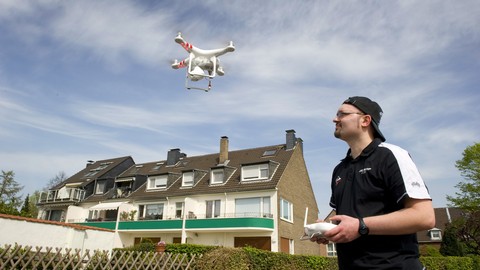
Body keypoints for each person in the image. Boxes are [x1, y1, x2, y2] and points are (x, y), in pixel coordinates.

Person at [313, 96, 435, 270]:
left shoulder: (391, 156)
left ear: (365, 120)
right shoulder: (339, 170)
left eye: (342, 114)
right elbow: (348, 222)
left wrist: (361, 226)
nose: (335, 119)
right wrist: (328, 230)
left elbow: (424, 217)